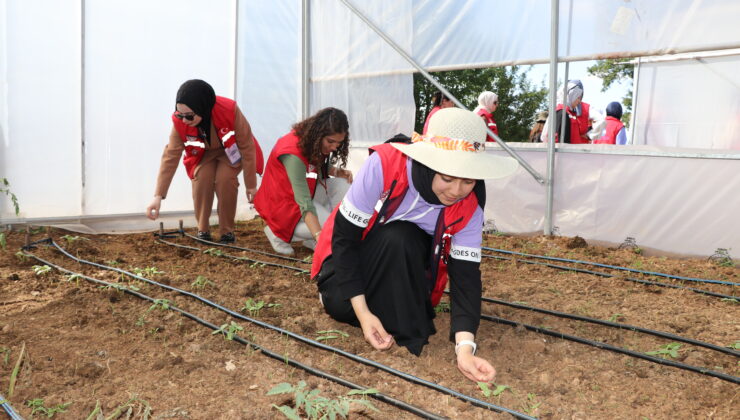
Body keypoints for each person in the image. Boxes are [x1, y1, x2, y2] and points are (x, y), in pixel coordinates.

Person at [311, 108, 519, 384]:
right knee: (344, 302)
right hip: (356, 259)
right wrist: (363, 315)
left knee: (405, 238)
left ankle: (389, 310)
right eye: (447, 178)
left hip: (409, 272)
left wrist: (465, 350)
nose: (456, 191)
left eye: (468, 181)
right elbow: (345, 238)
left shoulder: (470, 205)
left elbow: (466, 277)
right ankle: (359, 304)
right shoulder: (385, 164)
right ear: (428, 163)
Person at [146, 79, 263, 243]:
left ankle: (226, 231)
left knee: (225, 180)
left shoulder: (230, 110)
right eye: (180, 114)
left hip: (228, 152)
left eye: (189, 116)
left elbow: (247, 146)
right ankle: (203, 229)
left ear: (204, 107)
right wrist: (158, 196)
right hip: (202, 155)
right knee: (202, 178)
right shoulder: (180, 122)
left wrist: (251, 185)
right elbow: (171, 155)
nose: (184, 120)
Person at [253, 107, 353, 256]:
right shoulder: (292, 153)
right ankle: (276, 232)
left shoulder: (310, 141)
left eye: (338, 143)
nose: (333, 147)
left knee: (342, 185)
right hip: (281, 204)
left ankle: (310, 237)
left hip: (299, 194)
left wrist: (336, 171)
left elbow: (312, 166)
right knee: (331, 230)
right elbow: (304, 202)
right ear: (318, 134)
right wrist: (320, 237)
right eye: (330, 141)